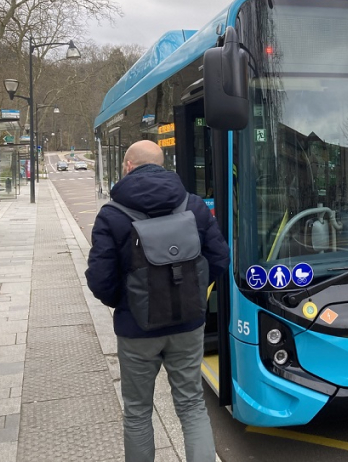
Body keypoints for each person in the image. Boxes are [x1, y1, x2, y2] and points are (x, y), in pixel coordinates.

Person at [86, 140, 229, 462]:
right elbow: (219, 258)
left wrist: (127, 303)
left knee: (137, 412)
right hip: (188, 323)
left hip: (136, 329)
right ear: (162, 165)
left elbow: (100, 279)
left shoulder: (112, 213)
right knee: (191, 405)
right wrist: (191, 289)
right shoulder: (192, 205)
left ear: (127, 166)